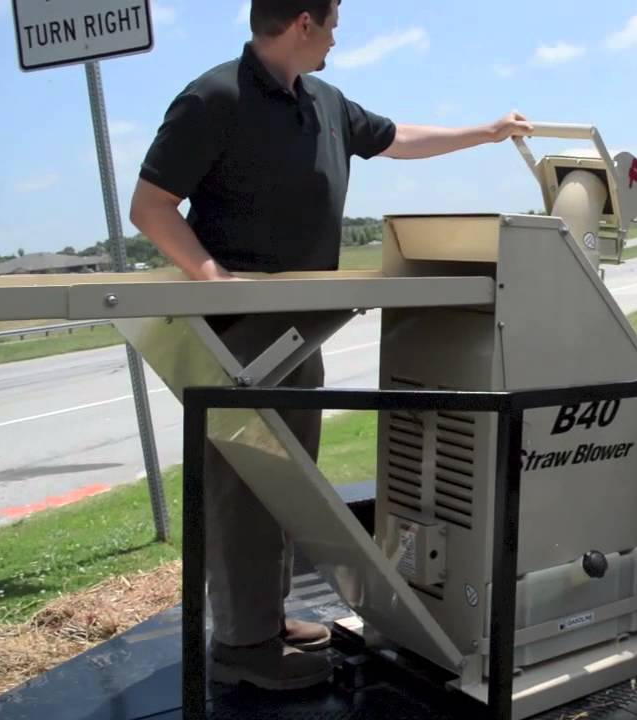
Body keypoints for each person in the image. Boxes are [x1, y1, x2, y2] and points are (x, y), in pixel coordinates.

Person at [129, 0, 531, 691]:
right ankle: (240, 649)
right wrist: (211, 278)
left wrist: (486, 133)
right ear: (304, 24)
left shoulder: (324, 101)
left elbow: (398, 137)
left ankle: (265, 617)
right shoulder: (212, 97)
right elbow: (150, 206)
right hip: (242, 331)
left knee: (288, 484)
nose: (338, 37)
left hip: (299, 326)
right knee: (243, 490)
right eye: (335, 22)